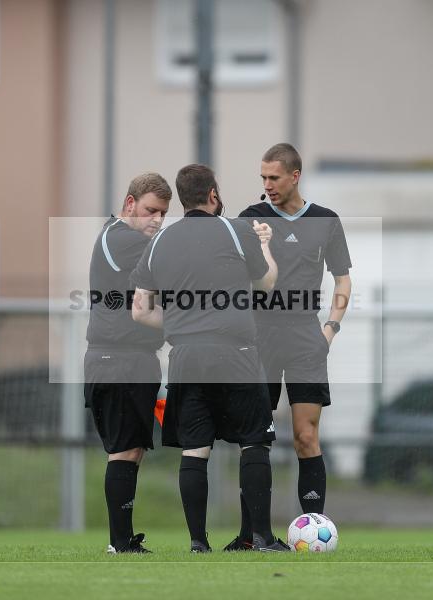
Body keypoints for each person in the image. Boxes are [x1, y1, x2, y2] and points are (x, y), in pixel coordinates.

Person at [131, 163, 290, 552]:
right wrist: (266, 245)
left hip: (186, 357)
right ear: (213, 195)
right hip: (235, 352)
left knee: (196, 448)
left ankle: (198, 542)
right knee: (254, 441)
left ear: (182, 199)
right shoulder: (235, 231)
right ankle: (262, 537)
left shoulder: (160, 243)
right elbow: (267, 282)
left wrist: (180, 329)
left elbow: (139, 309)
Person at [227, 143, 352, 551]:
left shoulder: (326, 221)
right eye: (262, 178)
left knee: (305, 435)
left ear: (295, 176)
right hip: (260, 335)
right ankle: (252, 536)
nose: (267, 186)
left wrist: (329, 329)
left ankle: (314, 532)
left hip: (304, 337)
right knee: (256, 437)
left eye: (274, 178)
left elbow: (343, 279)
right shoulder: (252, 219)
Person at [84, 172, 172, 554]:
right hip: (116, 359)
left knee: (132, 448)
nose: (156, 220)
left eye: (164, 214)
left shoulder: (122, 237)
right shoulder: (123, 239)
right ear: (130, 203)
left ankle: (123, 539)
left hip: (129, 359)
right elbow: (172, 271)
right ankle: (119, 543)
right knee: (123, 449)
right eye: (151, 210)